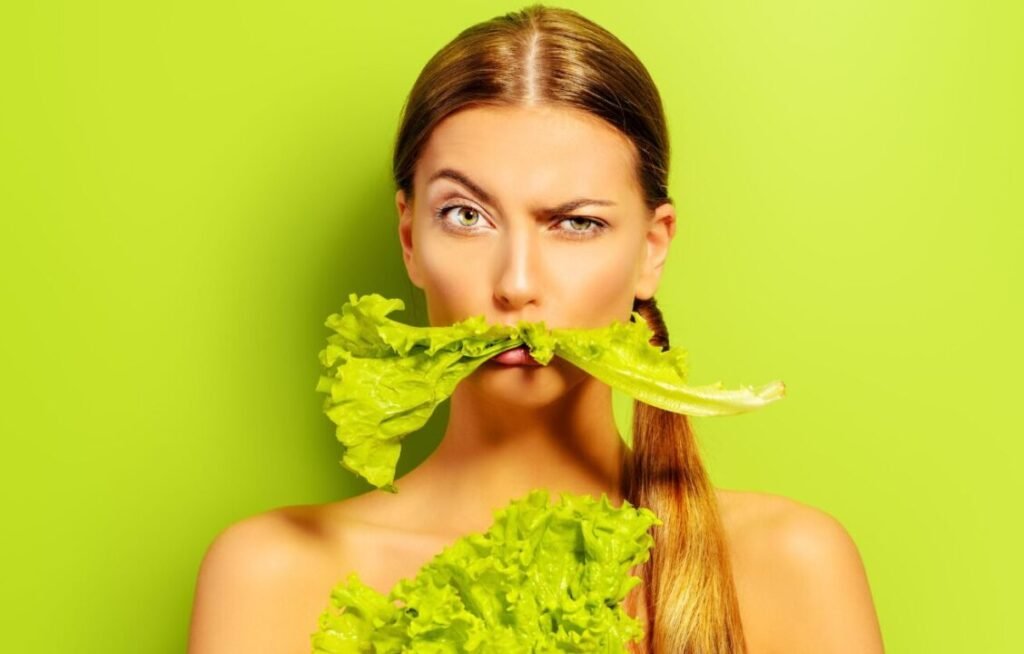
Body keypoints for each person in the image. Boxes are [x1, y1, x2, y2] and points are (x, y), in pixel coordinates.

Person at [187, 5, 885, 653]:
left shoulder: (791, 568)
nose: (516, 283)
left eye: (576, 223)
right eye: (466, 215)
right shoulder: (273, 578)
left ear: (652, 249)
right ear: (408, 237)